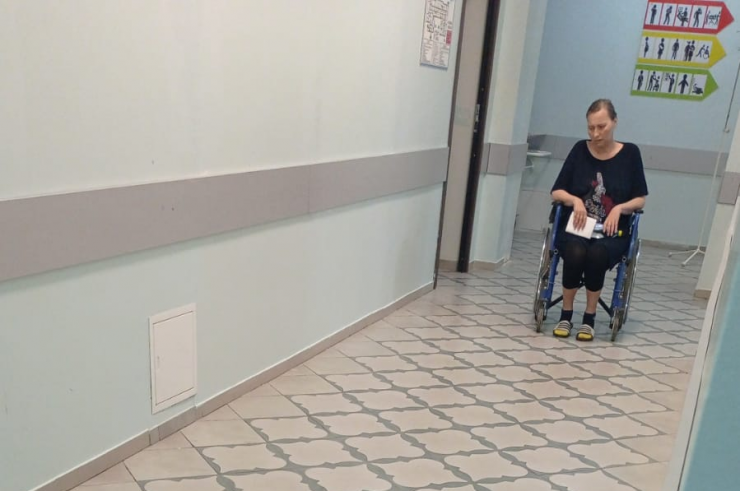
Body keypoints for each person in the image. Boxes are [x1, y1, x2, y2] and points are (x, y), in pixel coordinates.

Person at [550, 99, 648, 341]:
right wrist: (575, 200)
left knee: (597, 255)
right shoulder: (579, 150)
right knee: (575, 252)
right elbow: (557, 191)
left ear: (615, 122)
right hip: (578, 227)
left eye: (601, 127)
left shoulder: (630, 154)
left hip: (611, 232)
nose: (595, 134)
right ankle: (566, 314)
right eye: (591, 128)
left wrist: (620, 208)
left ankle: (589, 317)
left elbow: (640, 199)